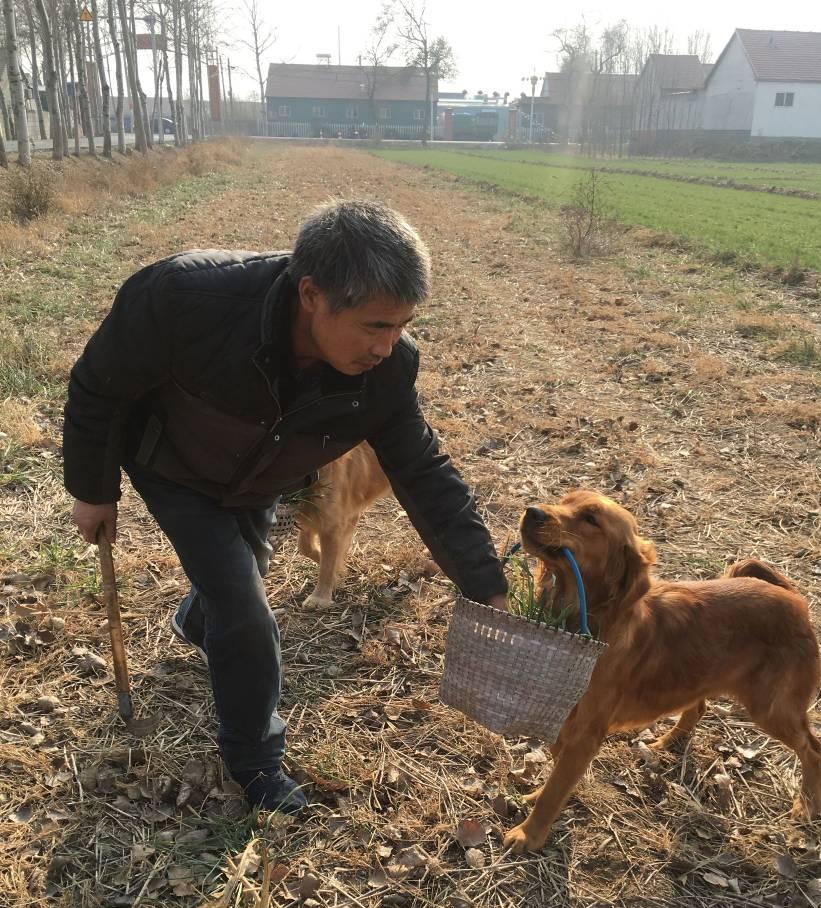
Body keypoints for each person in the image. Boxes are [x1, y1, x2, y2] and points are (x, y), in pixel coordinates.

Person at [63, 200, 508, 814]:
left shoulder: (387, 371)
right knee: (245, 611)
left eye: (402, 324)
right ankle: (254, 763)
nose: (389, 344)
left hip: (263, 478)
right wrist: (92, 489)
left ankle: (196, 621)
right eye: (374, 325)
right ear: (311, 295)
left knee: (238, 580)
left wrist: (486, 585)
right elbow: (97, 384)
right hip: (174, 466)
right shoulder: (186, 299)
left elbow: (424, 472)